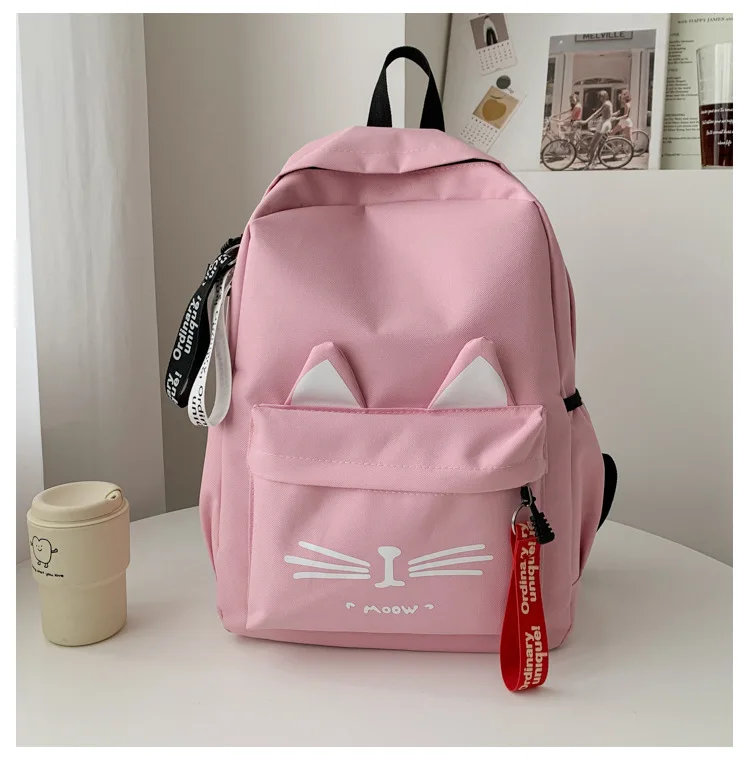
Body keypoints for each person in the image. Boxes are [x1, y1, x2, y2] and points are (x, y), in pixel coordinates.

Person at [583, 90, 613, 168]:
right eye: (600, 96)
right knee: (597, 144)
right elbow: (607, 114)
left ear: (606, 96)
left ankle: (590, 164)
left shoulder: (606, 104)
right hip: (604, 123)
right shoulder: (608, 103)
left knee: (593, 145)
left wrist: (585, 121)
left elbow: (596, 113)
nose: (601, 98)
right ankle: (594, 161)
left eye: (602, 96)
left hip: (604, 125)